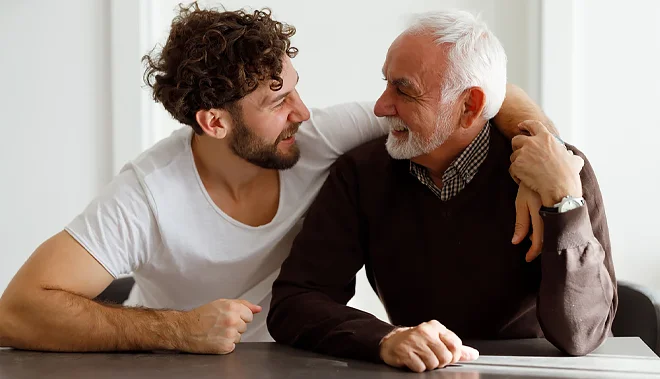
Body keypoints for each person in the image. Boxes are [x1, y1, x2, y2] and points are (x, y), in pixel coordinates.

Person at [0, 4, 553, 354]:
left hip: (305, 358)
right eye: (277, 98)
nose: (303, 111)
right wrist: (176, 331)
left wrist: (537, 155)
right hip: (183, 368)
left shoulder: (319, 137)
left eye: (294, 86)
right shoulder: (147, 195)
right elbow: (18, 310)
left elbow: (480, 96)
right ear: (215, 122)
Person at [267, 10, 617, 372]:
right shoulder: (361, 174)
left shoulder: (560, 172)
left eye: (403, 89)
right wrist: (384, 339)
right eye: (386, 83)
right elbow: (296, 300)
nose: (380, 106)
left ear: (470, 106)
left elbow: (582, 335)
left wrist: (564, 204)